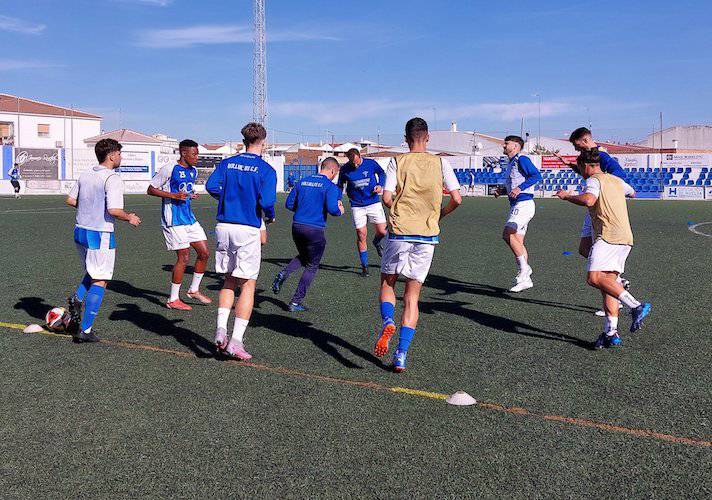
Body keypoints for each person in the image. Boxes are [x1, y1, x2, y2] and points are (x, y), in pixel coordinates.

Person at [374, 117, 461, 372]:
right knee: (412, 297)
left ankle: (388, 319)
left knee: (387, 282)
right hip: (427, 235)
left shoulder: (397, 161)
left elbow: (387, 196)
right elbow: (457, 199)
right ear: (428, 137)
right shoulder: (441, 162)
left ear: (405, 138)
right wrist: (439, 216)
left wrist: (399, 211)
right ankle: (401, 354)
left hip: (400, 232)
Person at [556, 148, 651, 348]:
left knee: (594, 278)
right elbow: (632, 193)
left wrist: (567, 196)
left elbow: (589, 200)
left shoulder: (593, 180)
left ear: (586, 166)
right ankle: (610, 332)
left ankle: (635, 305)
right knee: (608, 284)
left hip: (608, 236)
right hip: (625, 237)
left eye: (580, 168)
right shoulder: (616, 180)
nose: (581, 173)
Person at [205, 122, 276, 361]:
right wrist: (271, 215)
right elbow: (266, 202)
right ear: (262, 142)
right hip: (247, 228)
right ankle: (235, 341)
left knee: (229, 278)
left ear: (244, 140)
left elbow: (211, 186)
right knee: (248, 284)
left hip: (223, 226)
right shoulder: (266, 169)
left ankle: (220, 329)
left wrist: (226, 198)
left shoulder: (227, 163)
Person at [65, 138, 141, 343]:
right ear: (111, 155)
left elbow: (71, 200)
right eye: (119, 153)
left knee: (92, 271)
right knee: (101, 279)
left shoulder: (86, 173)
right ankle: (86, 331)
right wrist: (129, 217)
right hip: (100, 234)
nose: (121, 157)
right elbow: (114, 210)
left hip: (80, 231)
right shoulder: (113, 178)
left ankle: (77, 299)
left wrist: (89, 208)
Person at [562, 127, 634, 315]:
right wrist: (571, 166)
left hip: (600, 207)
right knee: (584, 249)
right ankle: (615, 284)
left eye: (578, 147)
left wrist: (606, 191)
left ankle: (616, 291)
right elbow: (592, 174)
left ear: (585, 141)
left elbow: (619, 178)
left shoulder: (602, 156)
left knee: (597, 270)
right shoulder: (592, 158)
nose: (577, 151)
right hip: (594, 206)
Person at [272, 157, 344, 311]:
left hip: (297, 226)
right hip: (315, 229)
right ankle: (295, 302)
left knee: (305, 256)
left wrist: (303, 209)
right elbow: (333, 210)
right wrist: (340, 210)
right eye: (336, 172)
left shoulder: (302, 181)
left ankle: (285, 272)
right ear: (332, 170)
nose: (335, 175)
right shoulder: (330, 186)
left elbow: (289, 204)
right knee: (312, 265)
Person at [147, 139, 211, 310]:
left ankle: (193, 290)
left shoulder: (193, 170)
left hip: (189, 218)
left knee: (204, 253)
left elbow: (185, 190)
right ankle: (173, 299)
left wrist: (191, 194)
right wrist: (174, 196)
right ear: (183, 153)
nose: (197, 157)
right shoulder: (169, 168)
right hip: (173, 220)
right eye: (194, 154)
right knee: (183, 256)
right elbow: (151, 189)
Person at [493, 135, 542, 292]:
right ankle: (525, 280)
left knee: (508, 234)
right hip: (518, 204)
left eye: (506, 143)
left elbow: (536, 175)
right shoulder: (512, 162)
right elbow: (513, 182)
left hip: (524, 204)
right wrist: (502, 190)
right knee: (517, 241)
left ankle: (525, 269)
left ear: (515, 146)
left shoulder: (522, 159)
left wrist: (519, 188)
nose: (504, 145)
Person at [337, 148, 387, 276]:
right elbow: (340, 185)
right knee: (361, 234)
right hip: (357, 205)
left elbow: (382, 173)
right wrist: (338, 199)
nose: (355, 165)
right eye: (352, 163)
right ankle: (364, 266)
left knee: (382, 231)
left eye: (357, 162)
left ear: (360, 156)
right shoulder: (345, 169)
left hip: (373, 202)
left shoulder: (371, 163)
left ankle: (376, 242)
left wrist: (380, 185)